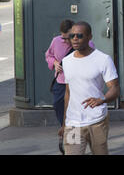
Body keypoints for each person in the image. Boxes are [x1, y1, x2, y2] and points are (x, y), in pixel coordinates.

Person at [59, 22, 119, 155]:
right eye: (72, 36)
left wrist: (102, 99)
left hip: (97, 121)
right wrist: (64, 124)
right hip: (72, 124)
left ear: (89, 37)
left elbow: (115, 89)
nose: (75, 38)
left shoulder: (103, 59)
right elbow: (68, 94)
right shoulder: (67, 61)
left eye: (79, 35)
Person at [45, 19, 95, 154]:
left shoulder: (85, 43)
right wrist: (54, 63)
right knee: (59, 107)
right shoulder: (56, 41)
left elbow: (94, 59)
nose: (67, 41)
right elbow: (48, 55)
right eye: (64, 38)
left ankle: (73, 143)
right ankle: (67, 135)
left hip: (78, 84)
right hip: (61, 83)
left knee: (75, 113)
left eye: (69, 37)